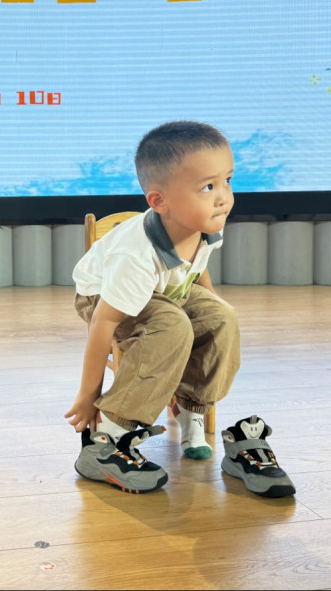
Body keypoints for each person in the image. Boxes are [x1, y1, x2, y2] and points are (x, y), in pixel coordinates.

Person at [64, 120, 240, 494]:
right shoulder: (135, 255)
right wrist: (87, 396)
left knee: (222, 316)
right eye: (208, 187)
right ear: (160, 202)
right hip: (102, 297)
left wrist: (212, 310)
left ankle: (191, 410)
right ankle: (108, 438)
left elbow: (197, 268)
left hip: (167, 289)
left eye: (227, 181)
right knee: (171, 326)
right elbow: (102, 322)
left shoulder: (206, 223)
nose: (223, 197)